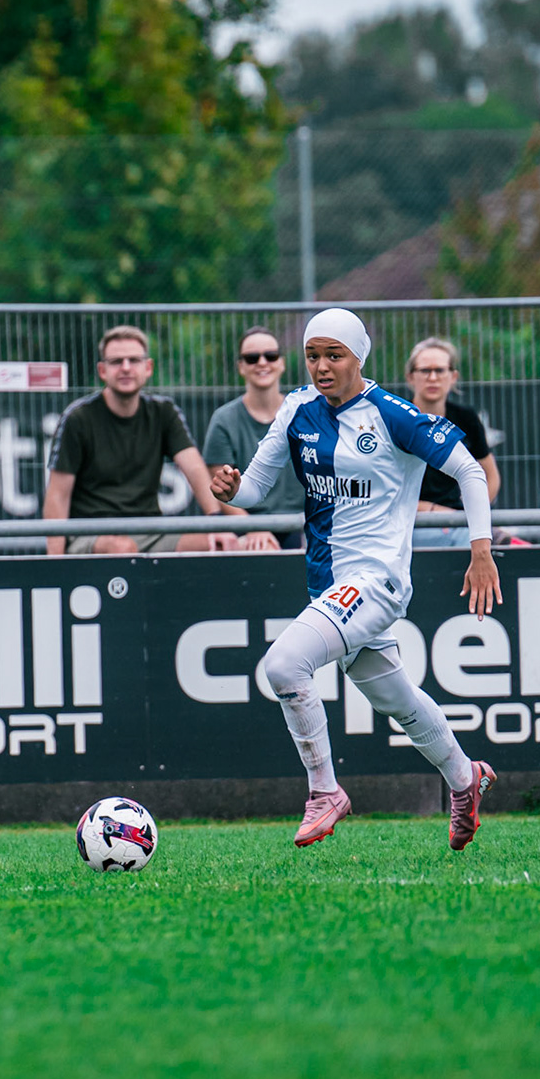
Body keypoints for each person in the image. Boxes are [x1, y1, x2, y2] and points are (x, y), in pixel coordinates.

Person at [210, 308, 502, 853]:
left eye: (334, 355)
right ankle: (466, 779)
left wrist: (480, 549)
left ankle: (325, 791)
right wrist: (231, 490)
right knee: (396, 698)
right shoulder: (297, 408)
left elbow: (470, 470)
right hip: (328, 584)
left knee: (283, 665)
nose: (321, 366)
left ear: (358, 357)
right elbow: (254, 488)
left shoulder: (393, 414)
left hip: (376, 580)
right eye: (312, 355)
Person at [45, 324, 230, 555]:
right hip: (91, 533)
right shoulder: (78, 418)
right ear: (102, 370)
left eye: (133, 360)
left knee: (220, 545)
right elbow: (57, 495)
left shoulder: (164, 412)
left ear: (148, 367)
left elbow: (194, 468)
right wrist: (55, 563)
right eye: (116, 361)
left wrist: (216, 523)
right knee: (122, 549)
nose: (126, 368)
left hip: (150, 530)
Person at [202, 326, 304, 551]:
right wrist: (252, 527)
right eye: (252, 358)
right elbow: (221, 490)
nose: (262, 362)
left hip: (303, 523)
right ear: (241, 366)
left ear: (282, 363)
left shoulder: (304, 413)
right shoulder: (224, 419)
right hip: (245, 525)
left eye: (271, 355)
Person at [405, 338, 500, 548]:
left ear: (453, 376)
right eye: (425, 370)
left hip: (458, 524)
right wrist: (428, 509)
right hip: (406, 523)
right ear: (410, 376)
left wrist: (477, 518)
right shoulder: (396, 419)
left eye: (440, 370)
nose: (432, 378)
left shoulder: (466, 418)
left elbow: (491, 476)